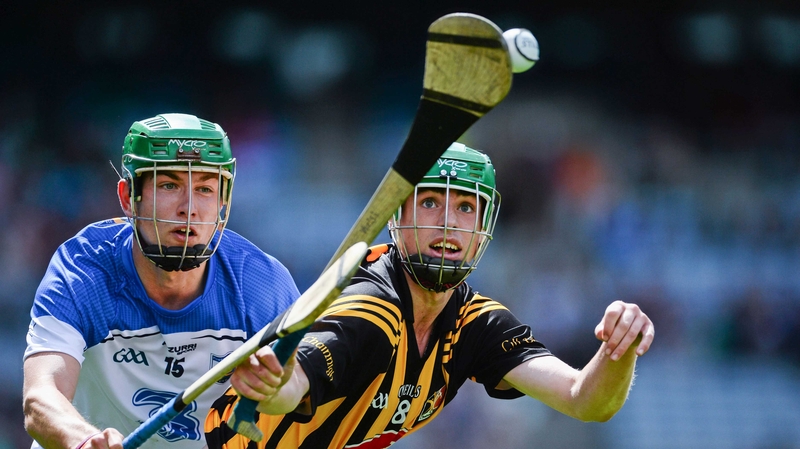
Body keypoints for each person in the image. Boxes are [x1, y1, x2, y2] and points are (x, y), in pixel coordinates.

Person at [204, 143, 655, 449]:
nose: (447, 223)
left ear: (482, 232)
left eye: (464, 207)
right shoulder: (368, 310)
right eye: (430, 202)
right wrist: (276, 382)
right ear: (399, 217)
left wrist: (619, 351)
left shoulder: (477, 324)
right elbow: (295, 383)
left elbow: (585, 399)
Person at [22, 113, 301, 449]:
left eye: (205, 189)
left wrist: (275, 389)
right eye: (170, 185)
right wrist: (86, 441)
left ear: (223, 200)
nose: (190, 208)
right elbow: (40, 398)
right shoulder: (82, 270)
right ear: (128, 198)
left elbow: (296, 388)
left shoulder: (261, 282)